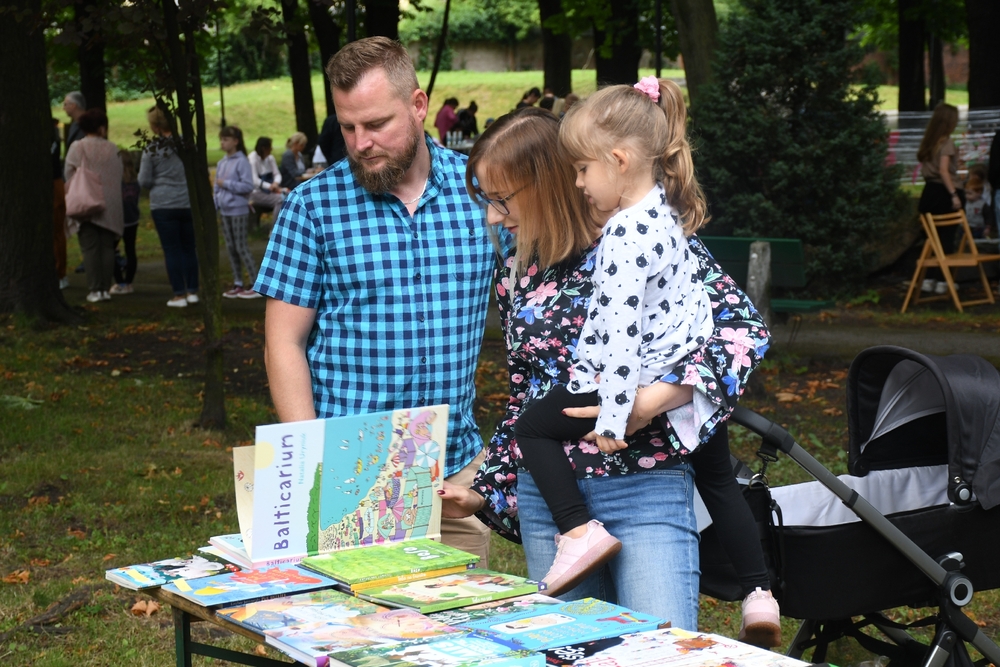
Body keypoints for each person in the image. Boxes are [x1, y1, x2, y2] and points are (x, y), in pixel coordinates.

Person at [438, 108, 774, 640]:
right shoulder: (518, 270)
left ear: (550, 183)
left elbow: (742, 333)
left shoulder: (644, 235)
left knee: (659, 650)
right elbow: (525, 395)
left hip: (644, 488)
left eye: (502, 199)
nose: (494, 218)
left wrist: (654, 400)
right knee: (574, 652)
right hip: (553, 508)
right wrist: (487, 491)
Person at [253, 37, 496, 567]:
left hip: (453, 477)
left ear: (418, 105)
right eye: (347, 127)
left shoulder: (481, 193)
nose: (361, 143)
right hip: (349, 480)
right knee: (351, 621)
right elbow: (283, 343)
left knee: (460, 620)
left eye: (377, 124)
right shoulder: (311, 207)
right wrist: (310, 469)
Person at [138, 106, 200, 307]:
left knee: (172, 249)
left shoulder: (152, 149)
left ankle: (179, 294)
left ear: (155, 126)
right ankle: (193, 290)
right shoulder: (187, 145)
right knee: (189, 248)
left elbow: (144, 180)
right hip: (187, 201)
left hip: (163, 204)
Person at [64, 109, 123, 303]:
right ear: (101, 127)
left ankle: (94, 289)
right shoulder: (113, 149)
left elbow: (68, 173)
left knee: (90, 248)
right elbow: (118, 174)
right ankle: (105, 288)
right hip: (109, 203)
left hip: (86, 202)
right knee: (107, 247)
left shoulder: (77, 147)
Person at [917, 103, 965, 295]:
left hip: (929, 192)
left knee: (931, 238)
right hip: (945, 193)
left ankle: (929, 278)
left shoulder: (928, 142)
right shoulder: (947, 143)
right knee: (947, 237)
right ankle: (943, 279)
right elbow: (944, 171)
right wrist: (954, 194)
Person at [215, 126, 259, 299]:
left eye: (226, 139)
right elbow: (216, 188)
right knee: (230, 247)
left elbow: (247, 186)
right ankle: (238, 283)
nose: (222, 143)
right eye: (221, 139)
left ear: (235, 141)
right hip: (224, 211)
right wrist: (216, 203)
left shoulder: (242, 161)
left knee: (241, 246)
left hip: (238, 210)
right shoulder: (221, 163)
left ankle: (255, 283)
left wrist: (226, 184)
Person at [111, 150, 140, 294]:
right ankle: (129, 282)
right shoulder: (135, 182)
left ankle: (119, 281)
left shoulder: (115, 182)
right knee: (130, 250)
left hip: (118, 220)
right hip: (132, 220)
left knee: (110, 251)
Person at [51, 118, 68, 290]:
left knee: (56, 231)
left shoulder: (52, 138)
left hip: (53, 183)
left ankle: (60, 272)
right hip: (54, 182)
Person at [248, 137, 285, 216]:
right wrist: (269, 186)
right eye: (270, 147)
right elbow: (254, 180)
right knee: (280, 200)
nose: (271, 149)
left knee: (289, 195)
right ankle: (276, 223)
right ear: (264, 148)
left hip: (271, 190)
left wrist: (275, 183)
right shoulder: (252, 159)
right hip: (256, 192)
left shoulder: (270, 158)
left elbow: (277, 174)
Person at [964, 165, 989, 239]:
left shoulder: (983, 204)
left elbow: (988, 216)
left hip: (979, 228)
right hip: (968, 227)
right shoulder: (966, 203)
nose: (967, 196)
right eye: (966, 193)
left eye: (969, 193)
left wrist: (988, 227)